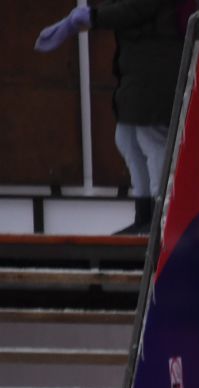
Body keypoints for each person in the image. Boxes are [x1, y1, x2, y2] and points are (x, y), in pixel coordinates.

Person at [35, 0, 185, 235]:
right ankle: (144, 214)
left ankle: (161, 218)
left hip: (157, 72)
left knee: (153, 141)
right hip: (138, 72)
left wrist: (93, 17)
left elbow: (136, 9)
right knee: (127, 139)